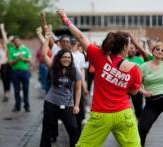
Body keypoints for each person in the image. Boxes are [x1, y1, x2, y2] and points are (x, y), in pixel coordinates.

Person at [57, 9, 142, 147]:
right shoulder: (134, 68)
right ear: (125, 47)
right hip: (123, 114)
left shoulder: (98, 56)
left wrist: (66, 20)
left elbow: (80, 37)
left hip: (101, 115)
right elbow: (133, 92)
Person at [40, 32, 82, 147]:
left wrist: (77, 105)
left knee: (73, 128)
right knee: (47, 127)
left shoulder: (75, 71)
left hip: (68, 104)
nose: (66, 59)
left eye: (68, 57)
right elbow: (44, 55)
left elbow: (78, 89)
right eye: (64, 57)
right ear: (59, 58)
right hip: (51, 102)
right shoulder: (54, 67)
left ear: (71, 59)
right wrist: (47, 38)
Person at [138, 42, 163, 146]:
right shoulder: (143, 67)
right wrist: (143, 91)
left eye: (162, 51)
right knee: (142, 128)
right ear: (153, 51)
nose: (160, 52)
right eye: (158, 49)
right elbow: (136, 85)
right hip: (152, 101)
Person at [125, 43, 144, 119]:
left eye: (132, 48)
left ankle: (139, 123)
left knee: (138, 108)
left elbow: (143, 74)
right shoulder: (123, 59)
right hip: (125, 88)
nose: (131, 49)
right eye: (129, 48)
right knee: (124, 108)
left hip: (137, 88)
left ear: (136, 50)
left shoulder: (140, 61)